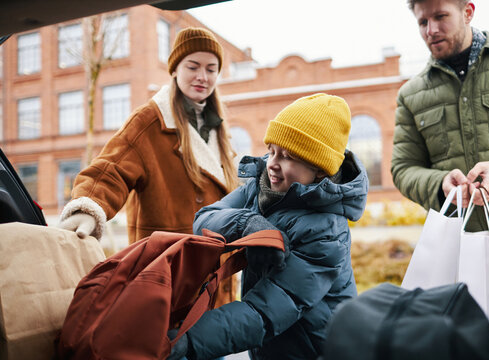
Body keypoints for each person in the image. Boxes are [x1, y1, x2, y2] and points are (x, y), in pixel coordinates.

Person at [167, 93, 368, 360]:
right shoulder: (259, 188)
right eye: (271, 150)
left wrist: (189, 339)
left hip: (315, 351)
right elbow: (205, 218)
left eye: (287, 157)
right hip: (271, 347)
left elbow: (265, 311)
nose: (271, 163)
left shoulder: (326, 232)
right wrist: (247, 222)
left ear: (319, 170)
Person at [58, 27, 239, 305]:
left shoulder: (220, 129)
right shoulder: (150, 121)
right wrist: (88, 208)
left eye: (211, 69)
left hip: (215, 283)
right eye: (193, 66)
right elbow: (110, 169)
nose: (203, 77)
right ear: (175, 69)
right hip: (167, 279)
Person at [391, 0, 489, 246]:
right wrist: (439, 184)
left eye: (440, 16)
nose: (431, 30)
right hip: (462, 253)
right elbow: (403, 168)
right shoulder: (410, 95)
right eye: (423, 22)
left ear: (467, 12)